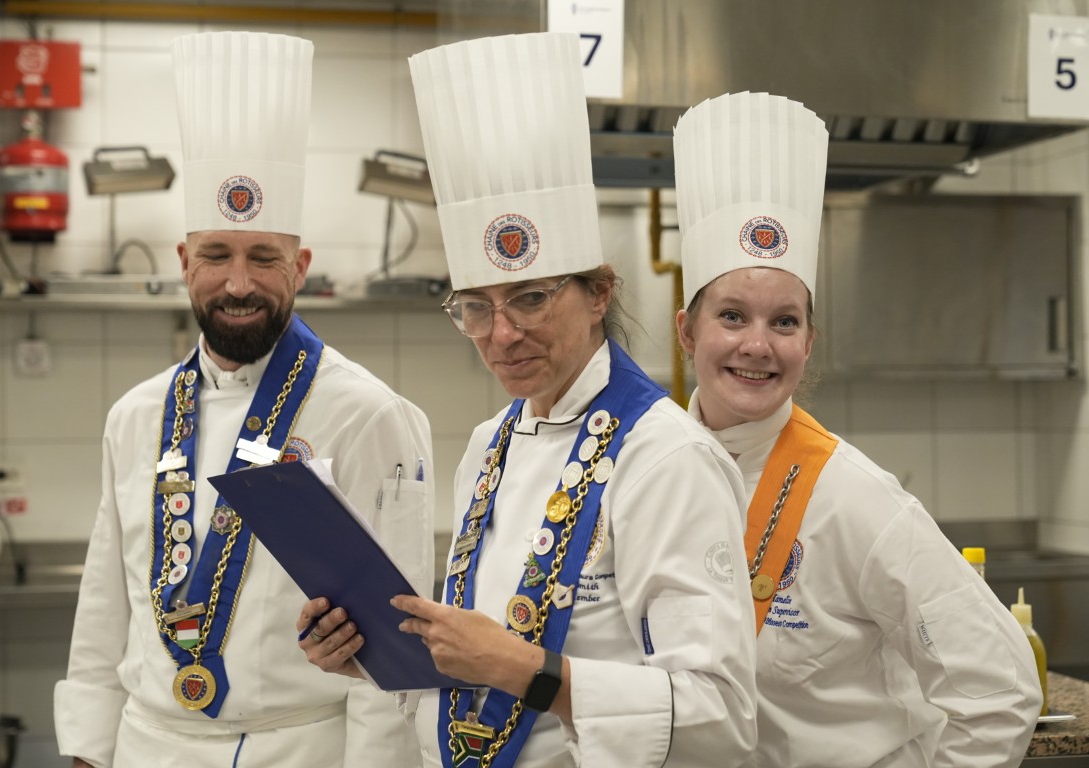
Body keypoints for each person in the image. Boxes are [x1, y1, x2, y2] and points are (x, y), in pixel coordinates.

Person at [298, 32, 757, 768]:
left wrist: (525, 670)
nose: (502, 334)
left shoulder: (667, 459)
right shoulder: (491, 444)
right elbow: (478, 672)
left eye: (531, 298)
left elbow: (719, 717)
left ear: (599, 292)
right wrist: (377, 655)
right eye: (475, 308)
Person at [53, 31, 433, 768]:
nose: (237, 283)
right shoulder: (136, 416)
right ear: (183, 262)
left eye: (264, 257)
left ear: (301, 266)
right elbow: (104, 603)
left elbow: (395, 645)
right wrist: (88, 750)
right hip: (146, 746)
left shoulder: (369, 415)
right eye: (215, 256)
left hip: (298, 749)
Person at [672, 91, 1043, 767]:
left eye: (784, 322)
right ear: (686, 331)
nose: (758, 345)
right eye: (732, 315)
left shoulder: (853, 497)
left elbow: (1002, 688)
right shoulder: (648, 473)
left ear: (808, 342)